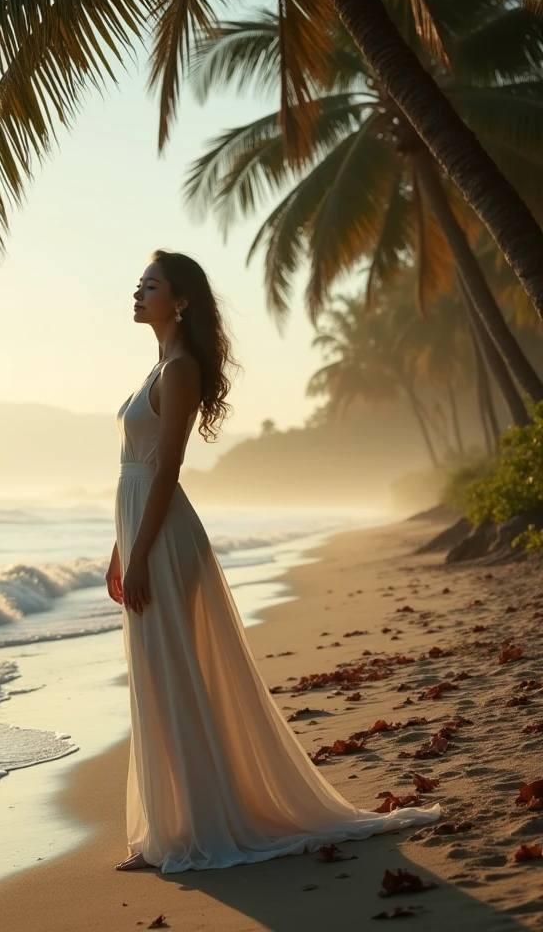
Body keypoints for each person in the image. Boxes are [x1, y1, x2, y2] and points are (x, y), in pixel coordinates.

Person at [106, 249, 441, 874]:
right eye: (139, 283)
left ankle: (189, 832)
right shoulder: (156, 368)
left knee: (174, 679)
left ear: (180, 300)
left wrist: (142, 552)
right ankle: (168, 830)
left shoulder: (179, 370)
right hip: (144, 533)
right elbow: (134, 472)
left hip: (166, 539)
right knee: (156, 678)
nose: (138, 292)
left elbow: (167, 469)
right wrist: (120, 552)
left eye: (150, 284)